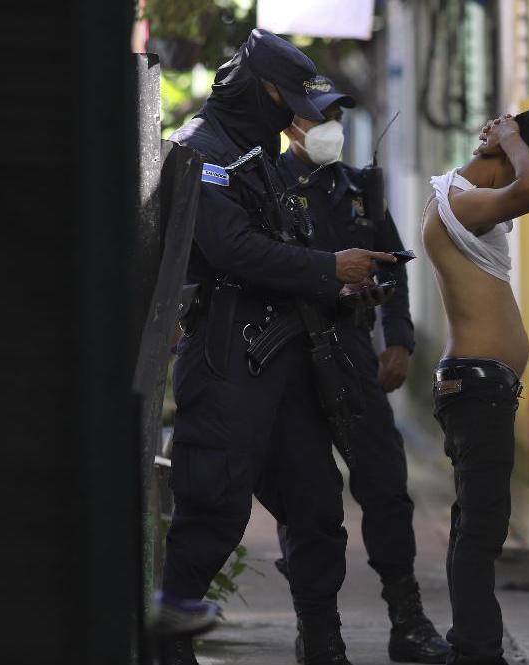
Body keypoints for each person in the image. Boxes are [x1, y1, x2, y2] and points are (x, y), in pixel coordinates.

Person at [160, 30, 396, 665]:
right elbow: (231, 249)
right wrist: (328, 269)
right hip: (227, 357)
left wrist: (347, 286)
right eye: (288, 101)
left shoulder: (256, 152)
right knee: (214, 500)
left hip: (291, 358)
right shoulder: (200, 150)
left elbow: (287, 246)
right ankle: (168, 639)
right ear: (258, 91)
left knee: (315, 506)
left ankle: (321, 638)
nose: (299, 117)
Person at [272, 77, 451, 664]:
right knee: (311, 500)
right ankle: (319, 633)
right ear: (293, 124)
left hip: (351, 357)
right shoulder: (266, 185)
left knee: (386, 488)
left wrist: (396, 340)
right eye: (320, 117)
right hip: (290, 360)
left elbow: (393, 268)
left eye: (337, 116)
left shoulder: (360, 189)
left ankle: (409, 620)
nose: (332, 129)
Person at [420, 110, 529, 665]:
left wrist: (509, 141)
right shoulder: (462, 203)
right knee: (482, 528)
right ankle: (478, 651)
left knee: (477, 522)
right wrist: (511, 138)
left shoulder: (462, 202)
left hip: (480, 384)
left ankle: (473, 644)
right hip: (477, 385)